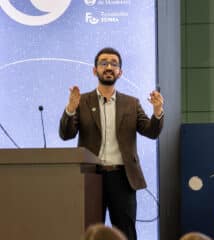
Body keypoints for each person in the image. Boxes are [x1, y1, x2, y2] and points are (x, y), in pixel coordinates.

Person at [59, 47, 164, 240]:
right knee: (89, 232)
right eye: (104, 63)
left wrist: (157, 112)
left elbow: (151, 131)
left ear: (120, 72)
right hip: (91, 177)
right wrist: (70, 109)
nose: (109, 67)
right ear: (95, 70)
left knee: (126, 233)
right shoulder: (82, 101)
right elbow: (66, 135)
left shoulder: (132, 103)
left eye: (114, 64)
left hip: (123, 178)